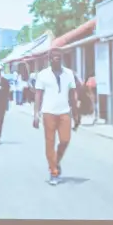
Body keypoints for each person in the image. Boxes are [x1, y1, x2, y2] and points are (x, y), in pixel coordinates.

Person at [33, 49, 79, 186]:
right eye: (54, 57)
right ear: (49, 59)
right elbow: (38, 95)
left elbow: (72, 94)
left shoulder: (69, 74)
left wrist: (76, 114)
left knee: (65, 140)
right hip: (48, 112)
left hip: (64, 111)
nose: (57, 59)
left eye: (59, 57)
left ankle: (56, 161)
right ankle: (53, 172)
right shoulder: (42, 75)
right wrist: (36, 113)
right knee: (50, 143)